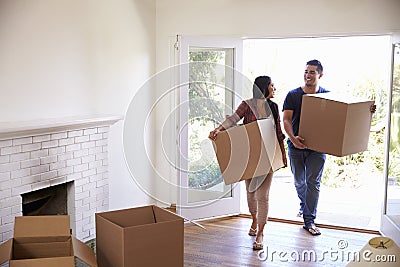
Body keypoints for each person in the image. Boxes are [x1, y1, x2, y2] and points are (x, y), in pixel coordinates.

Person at [282, 59, 376, 236]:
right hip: (296, 146)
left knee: (313, 183)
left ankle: (309, 221)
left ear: (320, 75)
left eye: (312, 72)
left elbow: (344, 114)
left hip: (318, 148)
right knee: (299, 181)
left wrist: (368, 110)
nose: (307, 75)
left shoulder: (327, 96)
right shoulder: (293, 95)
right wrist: (293, 139)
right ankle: (304, 205)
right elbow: (286, 119)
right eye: (306, 71)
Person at [209, 76, 287, 250]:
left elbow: (279, 133)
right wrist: (217, 130)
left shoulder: (273, 107)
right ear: (263, 88)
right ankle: (254, 219)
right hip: (249, 157)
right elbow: (233, 119)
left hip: (267, 157)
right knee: (251, 194)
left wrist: (282, 155)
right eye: (271, 85)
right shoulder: (247, 105)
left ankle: (260, 232)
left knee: (262, 196)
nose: (274, 88)